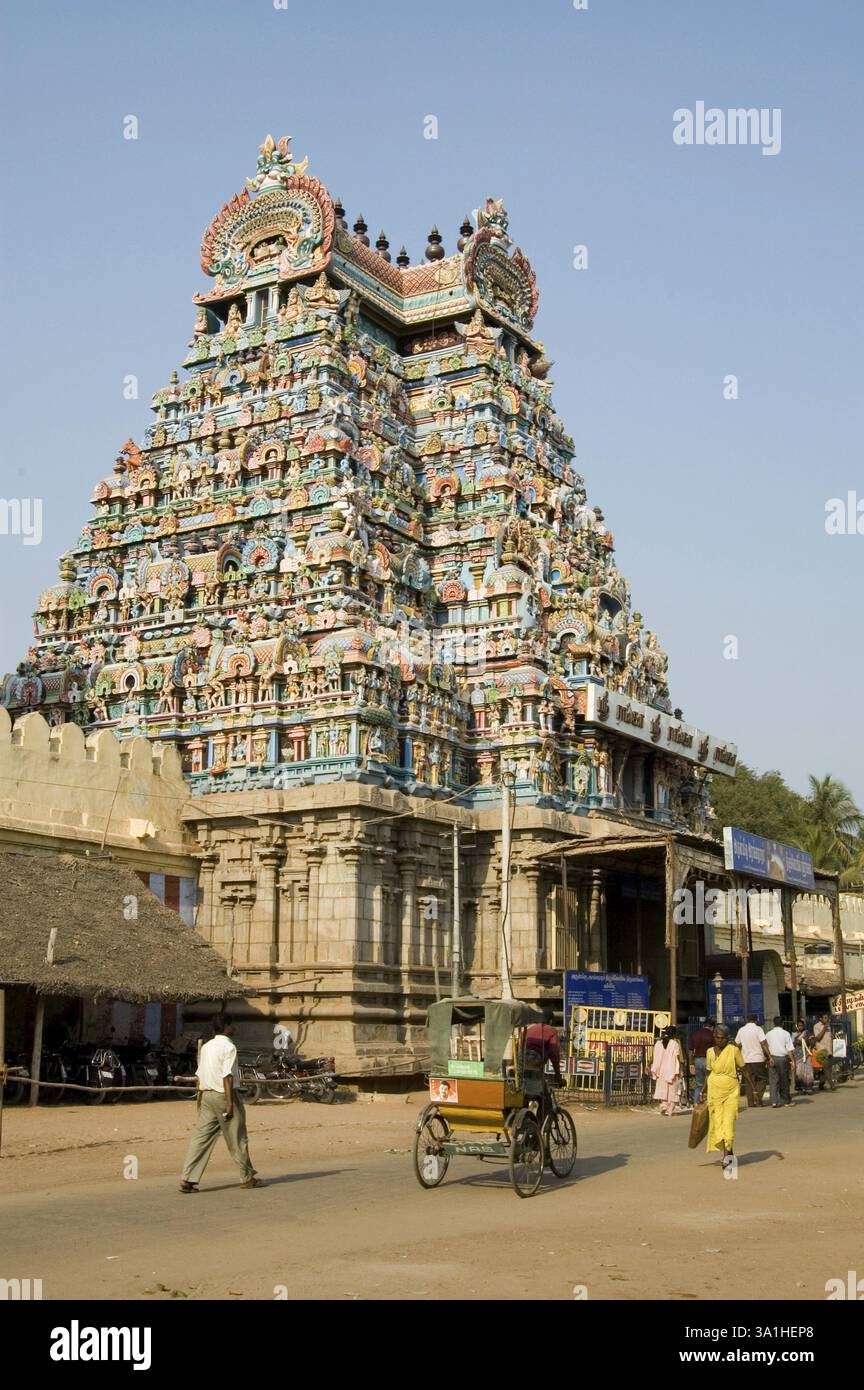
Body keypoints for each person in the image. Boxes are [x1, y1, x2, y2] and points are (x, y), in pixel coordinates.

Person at [179, 1014, 261, 1193]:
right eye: (232, 1025)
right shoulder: (229, 1047)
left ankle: (187, 1178)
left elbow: (199, 1074)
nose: (234, 1028)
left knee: (201, 1138)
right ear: (226, 1027)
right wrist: (230, 1104)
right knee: (237, 1137)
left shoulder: (207, 1046)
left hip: (206, 1095)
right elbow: (227, 1076)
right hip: (224, 1096)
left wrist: (200, 1099)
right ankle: (247, 1177)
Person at [706, 1024, 745, 1170]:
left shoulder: (733, 1050)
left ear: (727, 1039)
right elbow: (708, 1072)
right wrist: (703, 1091)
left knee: (728, 1124)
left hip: (731, 1092)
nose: (718, 1040)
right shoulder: (709, 1052)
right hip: (714, 1092)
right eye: (716, 1037)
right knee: (718, 1124)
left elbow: (743, 1068)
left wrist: (754, 1090)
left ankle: (727, 1156)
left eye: (721, 1038)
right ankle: (729, 1153)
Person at [735, 1013, 770, 1107]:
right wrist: (769, 1056)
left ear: (747, 1020)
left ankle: (750, 1102)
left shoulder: (741, 1030)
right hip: (758, 1058)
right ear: (756, 1020)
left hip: (745, 1059)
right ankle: (758, 1099)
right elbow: (763, 1043)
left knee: (749, 1080)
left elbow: (737, 1044)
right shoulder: (758, 1029)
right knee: (762, 1079)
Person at [651, 1025, 686, 1115]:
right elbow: (677, 1057)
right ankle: (670, 1108)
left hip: (661, 1070)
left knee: (663, 1088)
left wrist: (649, 1065)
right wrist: (681, 1069)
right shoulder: (675, 1044)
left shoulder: (658, 1043)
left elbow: (654, 1056)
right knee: (673, 1089)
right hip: (672, 1069)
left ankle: (663, 1105)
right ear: (674, 1034)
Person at [525, 1006, 563, 1085]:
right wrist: (558, 1076)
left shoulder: (530, 1028)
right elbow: (554, 1053)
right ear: (551, 1021)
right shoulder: (552, 1030)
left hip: (522, 1058)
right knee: (540, 1085)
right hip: (536, 1059)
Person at [764, 1015, 794, 1107]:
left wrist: (768, 1058)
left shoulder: (768, 1034)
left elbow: (765, 1047)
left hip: (772, 1058)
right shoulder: (786, 1034)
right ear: (783, 1023)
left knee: (773, 1080)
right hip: (783, 1059)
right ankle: (785, 1101)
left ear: (774, 1023)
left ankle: (774, 1101)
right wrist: (793, 1061)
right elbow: (789, 1049)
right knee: (784, 1080)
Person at [689, 1018, 715, 1106]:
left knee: (699, 1083)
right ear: (712, 1027)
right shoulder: (712, 1035)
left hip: (697, 1060)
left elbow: (691, 1050)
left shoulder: (695, 1034)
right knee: (710, 1082)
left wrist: (691, 1063)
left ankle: (696, 1103)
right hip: (709, 1060)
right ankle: (709, 1102)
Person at [813, 1014, 836, 1091]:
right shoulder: (816, 1026)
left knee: (826, 1069)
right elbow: (818, 1038)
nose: (827, 1019)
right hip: (821, 1050)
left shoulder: (828, 1026)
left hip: (829, 1050)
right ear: (820, 1019)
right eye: (825, 1018)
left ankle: (821, 1085)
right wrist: (824, 1028)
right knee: (827, 1068)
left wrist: (832, 1036)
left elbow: (829, 1036)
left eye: (827, 1017)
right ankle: (832, 1085)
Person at [792, 1019, 814, 1093]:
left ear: (804, 1026)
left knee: (808, 1071)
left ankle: (808, 1087)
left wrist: (803, 1041)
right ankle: (800, 1088)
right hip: (798, 1056)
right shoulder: (794, 1034)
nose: (800, 1027)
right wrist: (797, 1042)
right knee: (799, 1072)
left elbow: (812, 1042)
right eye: (799, 1026)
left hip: (807, 1055)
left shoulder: (807, 1033)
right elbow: (792, 1044)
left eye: (802, 1025)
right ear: (797, 1026)